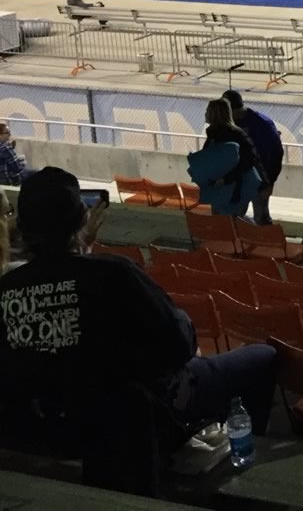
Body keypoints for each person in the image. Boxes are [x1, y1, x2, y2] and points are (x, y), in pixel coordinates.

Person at [0, 166, 278, 495]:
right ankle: (243, 479)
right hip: (138, 413)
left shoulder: (8, 289)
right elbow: (179, 344)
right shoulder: (115, 275)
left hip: (56, 427)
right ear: (81, 218)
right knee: (263, 356)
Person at [192, 97, 264, 218]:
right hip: (222, 188)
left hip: (234, 190)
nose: (205, 113)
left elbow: (249, 159)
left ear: (215, 114)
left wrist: (226, 178)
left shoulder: (231, 135)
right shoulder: (216, 134)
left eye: (207, 110)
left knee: (230, 222)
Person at [225, 91, 283, 227]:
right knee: (235, 218)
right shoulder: (227, 125)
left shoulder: (262, 124)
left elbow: (276, 153)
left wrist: (270, 182)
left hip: (259, 180)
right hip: (237, 181)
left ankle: (265, 245)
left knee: (261, 218)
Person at [0, 121, 29, 185]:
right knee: (37, 173)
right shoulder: (5, 147)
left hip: (2, 178)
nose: (10, 135)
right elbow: (17, 168)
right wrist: (23, 164)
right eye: (7, 133)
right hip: (10, 180)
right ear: (1, 135)